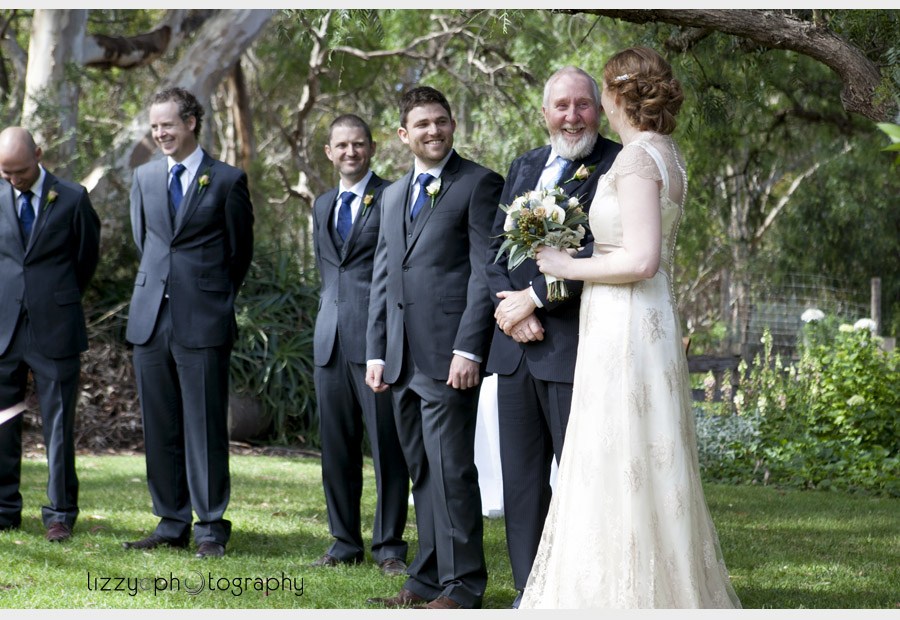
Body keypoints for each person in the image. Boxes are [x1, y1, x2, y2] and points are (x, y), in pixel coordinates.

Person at [522, 47, 741, 608]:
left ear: (617, 95)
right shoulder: (658, 151)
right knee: (627, 452)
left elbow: (642, 258)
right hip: (632, 317)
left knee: (622, 453)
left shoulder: (640, 158)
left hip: (629, 320)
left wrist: (568, 266)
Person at [484, 65, 621, 608]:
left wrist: (537, 298)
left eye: (582, 104)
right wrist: (512, 311)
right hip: (515, 349)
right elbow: (494, 248)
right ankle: (529, 592)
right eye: (561, 105)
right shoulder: (523, 166)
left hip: (573, 347)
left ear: (600, 109)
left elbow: (604, 252)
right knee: (521, 484)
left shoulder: (614, 167)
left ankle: (585, 590)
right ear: (544, 113)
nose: (572, 116)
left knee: (583, 482)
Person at [364, 86, 503, 609]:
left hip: (448, 359)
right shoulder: (394, 194)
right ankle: (426, 577)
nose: (433, 131)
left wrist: (469, 349)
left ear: (452, 125)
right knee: (422, 471)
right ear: (404, 135)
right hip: (399, 361)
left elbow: (482, 273)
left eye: (441, 121)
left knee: (452, 471)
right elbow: (383, 277)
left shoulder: (478, 185)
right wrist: (377, 352)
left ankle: (463, 587)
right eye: (421, 124)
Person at [123, 87, 254, 559]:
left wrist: (208, 297)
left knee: (203, 427)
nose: (160, 133)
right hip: (150, 321)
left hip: (204, 320)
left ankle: (211, 527)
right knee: (160, 426)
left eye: (168, 125)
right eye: (155, 126)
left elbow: (239, 253)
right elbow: (146, 242)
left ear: (191, 122)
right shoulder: (143, 177)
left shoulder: (227, 180)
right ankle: (170, 521)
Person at [308, 114, 410, 576]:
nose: (350, 152)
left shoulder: (393, 196)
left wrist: (387, 338)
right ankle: (343, 540)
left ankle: (388, 545)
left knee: (387, 446)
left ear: (372, 147)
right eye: (341, 145)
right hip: (329, 340)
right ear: (328, 152)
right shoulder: (322, 203)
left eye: (358, 144)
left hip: (377, 341)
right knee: (336, 446)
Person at [0, 127, 100, 542]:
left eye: (20, 171)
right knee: (3, 424)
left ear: (39, 155)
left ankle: (59, 515)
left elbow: (85, 259)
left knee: (59, 424)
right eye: (5, 174)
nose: (13, 180)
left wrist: (55, 300)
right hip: (3, 329)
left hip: (55, 328)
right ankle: (5, 509)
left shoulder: (73, 198)